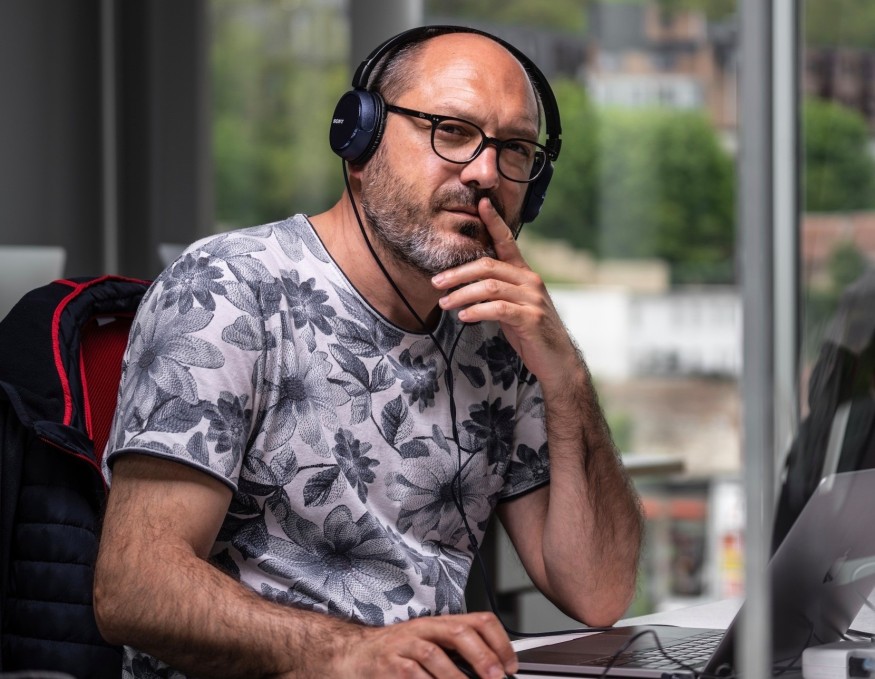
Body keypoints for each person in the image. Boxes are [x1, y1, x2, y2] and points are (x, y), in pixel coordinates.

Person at [93, 25, 643, 679]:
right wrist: (348, 650)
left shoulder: (498, 333)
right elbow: (134, 585)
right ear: (360, 139)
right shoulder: (229, 289)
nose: (485, 173)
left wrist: (566, 373)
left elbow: (598, 591)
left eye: (516, 149)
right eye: (452, 131)